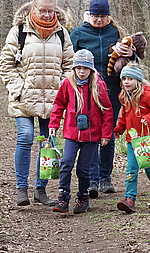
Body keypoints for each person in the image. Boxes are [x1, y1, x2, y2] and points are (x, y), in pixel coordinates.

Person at [0, 0, 74, 206]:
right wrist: (18, 87)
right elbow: (5, 65)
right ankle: (21, 189)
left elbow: (69, 64)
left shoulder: (62, 33)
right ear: (34, 8)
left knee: (46, 143)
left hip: (52, 100)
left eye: (51, 10)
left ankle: (41, 190)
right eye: (43, 10)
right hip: (23, 97)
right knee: (25, 137)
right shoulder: (19, 31)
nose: (47, 14)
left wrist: (62, 87)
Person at [70, 0, 134, 197]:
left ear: (108, 16)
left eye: (102, 16)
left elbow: (129, 59)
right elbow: (68, 60)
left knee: (109, 132)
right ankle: (93, 178)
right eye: (95, 16)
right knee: (91, 134)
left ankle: (106, 177)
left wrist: (130, 53)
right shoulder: (78, 34)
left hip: (112, 90)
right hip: (86, 90)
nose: (98, 20)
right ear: (89, 15)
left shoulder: (115, 33)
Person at [49, 49, 113, 214]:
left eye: (85, 68)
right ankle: (63, 196)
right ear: (74, 69)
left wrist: (106, 134)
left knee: (83, 169)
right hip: (72, 133)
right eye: (78, 68)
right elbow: (58, 105)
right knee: (66, 163)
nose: (81, 72)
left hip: (91, 135)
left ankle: (83, 197)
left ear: (91, 69)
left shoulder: (98, 85)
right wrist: (53, 125)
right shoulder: (68, 84)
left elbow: (107, 110)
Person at [114, 65, 150, 213]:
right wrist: (119, 129)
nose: (126, 82)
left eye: (130, 79)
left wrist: (149, 118)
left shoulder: (146, 95)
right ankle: (129, 199)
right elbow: (125, 116)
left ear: (138, 80)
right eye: (124, 79)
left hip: (147, 141)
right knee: (131, 169)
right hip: (132, 141)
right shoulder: (124, 96)